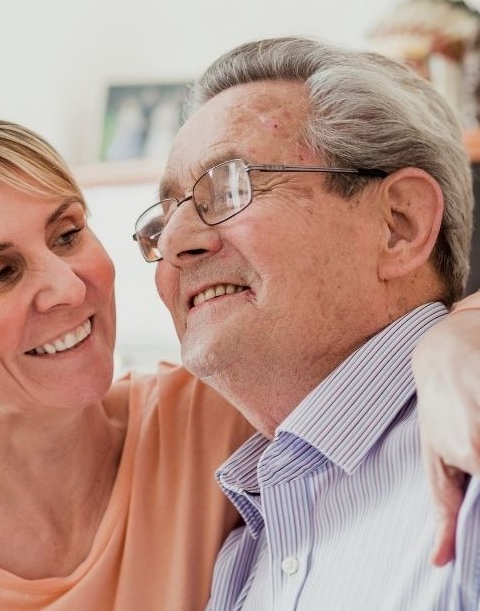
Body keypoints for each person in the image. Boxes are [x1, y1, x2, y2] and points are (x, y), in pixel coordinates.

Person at [0, 112, 480, 610]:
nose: (69, 286)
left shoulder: (217, 416)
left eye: (68, 233)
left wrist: (458, 332)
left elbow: (371, 335)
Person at [132, 35, 480, 609]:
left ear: (399, 224)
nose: (174, 244)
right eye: (163, 219)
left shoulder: (465, 450)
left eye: (230, 187)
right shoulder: (238, 552)